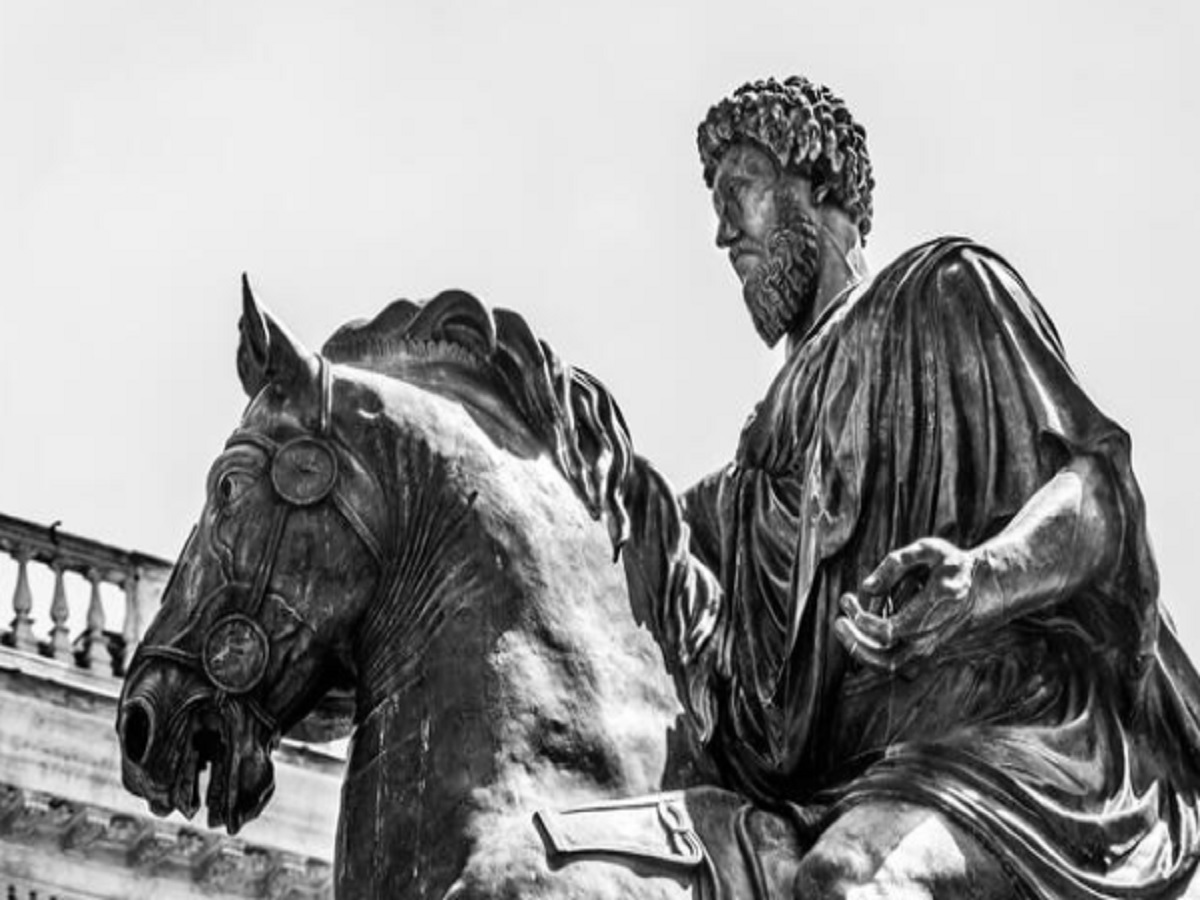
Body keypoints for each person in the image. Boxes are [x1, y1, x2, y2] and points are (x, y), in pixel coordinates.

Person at [620, 76, 1200, 898]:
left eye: (740, 189)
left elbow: (1097, 495)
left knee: (845, 882)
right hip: (848, 786)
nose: (723, 233)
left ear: (818, 183)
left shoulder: (944, 292)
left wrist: (981, 575)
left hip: (1002, 742)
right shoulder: (738, 493)